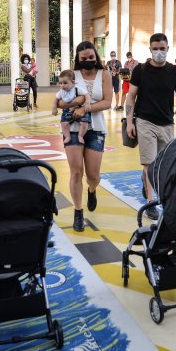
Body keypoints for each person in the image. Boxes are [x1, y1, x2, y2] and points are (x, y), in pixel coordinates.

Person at [125, 33, 176, 220]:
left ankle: (149, 185)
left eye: (162, 48)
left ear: (168, 49)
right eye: (155, 48)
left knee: (164, 165)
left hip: (167, 124)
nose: (159, 52)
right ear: (150, 49)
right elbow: (131, 96)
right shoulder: (140, 70)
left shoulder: (175, 72)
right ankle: (151, 204)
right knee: (149, 164)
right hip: (145, 122)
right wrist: (130, 122)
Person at [58, 41, 112, 232]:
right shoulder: (73, 76)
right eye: (84, 59)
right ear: (78, 60)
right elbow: (61, 101)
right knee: (75, 172)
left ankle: (92, 189)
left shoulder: (105, 75)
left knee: (93, 175)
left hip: (96, 128)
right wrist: (77, 104)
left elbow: (107, 102)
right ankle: (78, 212)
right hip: (72, 127)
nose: (88, 61)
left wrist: (86, 107)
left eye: (91, 57)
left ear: (96, 56)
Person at [52, 69, 91, 144]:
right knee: (64, 124)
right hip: (67, 111)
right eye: (60, 83)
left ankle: (80, 135)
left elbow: (86, 95)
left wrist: (87, 103)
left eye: (65, 83)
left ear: (73, 82)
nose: (62, 85)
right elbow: (55, 100)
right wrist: (54, 108)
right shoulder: (61, 92)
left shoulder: (77, 89)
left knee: (84, 123)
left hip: (79, 109)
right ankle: (67, 136)